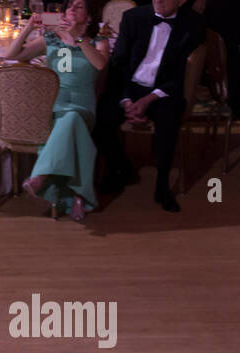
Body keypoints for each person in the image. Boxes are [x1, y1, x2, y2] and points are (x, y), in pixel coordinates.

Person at [0, 1, 108, 223]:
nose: (71, 10)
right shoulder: (51, 39)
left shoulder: (98, 41)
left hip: (82, 103)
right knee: (72, 124)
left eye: (78, 7)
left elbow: (100, 65)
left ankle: (41, 175)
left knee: (74, 117)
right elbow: (11, 54)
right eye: (69, 6)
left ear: (89, 17)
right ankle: (79, 196)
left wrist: (76, 38)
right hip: (54, 102)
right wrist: (29, 27)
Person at [94, 0, 205, 212]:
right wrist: (126, 100)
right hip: (131, 86)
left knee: (168, 122)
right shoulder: (133, 17)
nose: (158, 1)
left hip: (163, 91)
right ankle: (120, 167)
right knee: (100, 117)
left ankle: (162, 187)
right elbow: (119, 64)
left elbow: (182, 75)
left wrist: (147, 100)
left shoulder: (194, 23)